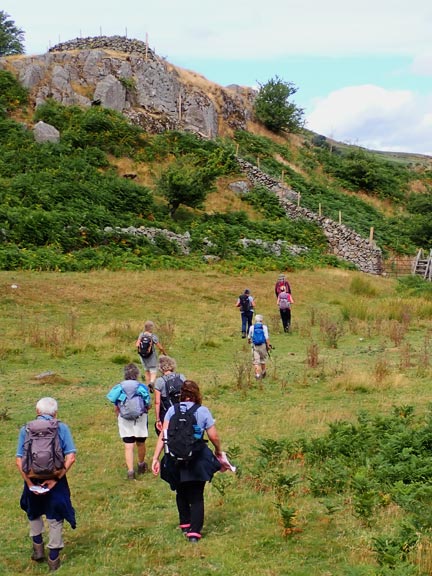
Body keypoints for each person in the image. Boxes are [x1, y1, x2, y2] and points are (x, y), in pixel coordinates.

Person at [151, 380, 222, 543]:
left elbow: (164, 435)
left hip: (175, 458)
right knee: (196, 496)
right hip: (197, 459)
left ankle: (185, 523)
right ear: (197, 395)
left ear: (181, 395)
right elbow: (213, 436)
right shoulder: (202, 411)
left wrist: (155, 457)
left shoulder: (171, 410)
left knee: (181, 492)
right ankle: (194, 533)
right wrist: (218, 450)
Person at [16, 397, 77, 572]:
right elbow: (71, 457)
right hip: (56, 477)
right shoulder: (61, 427)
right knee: (55, 516)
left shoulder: (26, 429)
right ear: (55, 413)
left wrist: (28, 482)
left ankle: (38, 550)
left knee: (33, 512)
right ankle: (53, 560)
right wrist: (56, 479)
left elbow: (19, 461)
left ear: (37, 411)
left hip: (32, 478)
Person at [106, 363, 151, 479]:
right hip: (140, 418)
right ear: (137, 374)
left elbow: (115, 403)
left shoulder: (119, 387)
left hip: (124, 418)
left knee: (128, 445)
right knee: (141, 443)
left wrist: (118, 416)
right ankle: (141, 465)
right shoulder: (141, 387)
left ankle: (130, 471)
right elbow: (148, 404)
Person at [154, 355, 186, 435]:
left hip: (167, 411)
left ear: (160, 367)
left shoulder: (159, 381)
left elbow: (157, 402)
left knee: (166, 434)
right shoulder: (181, 377)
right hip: (182, 409)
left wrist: (158, 419)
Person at [136, 320, 167, 391]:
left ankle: (148, 387)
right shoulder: (153, 336)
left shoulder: (141, 335)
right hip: (151, 356)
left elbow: (137, 344)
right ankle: (152, 382)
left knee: (147, 371)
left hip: (143, 356)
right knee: (153, 371)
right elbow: (160, 347)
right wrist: (164, 353)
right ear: (151, 328)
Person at [248, 314, 271, 380]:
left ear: (255, 320)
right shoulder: (264, 327)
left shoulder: (252, 327)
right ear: (262, 320)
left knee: (256, 361)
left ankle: (257, 375)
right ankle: (263, 373)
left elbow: (249, 337)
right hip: (263, 345)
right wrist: (268, 345)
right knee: (262, 360)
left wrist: (249, 341)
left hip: (254, 346)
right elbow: (266, 337)